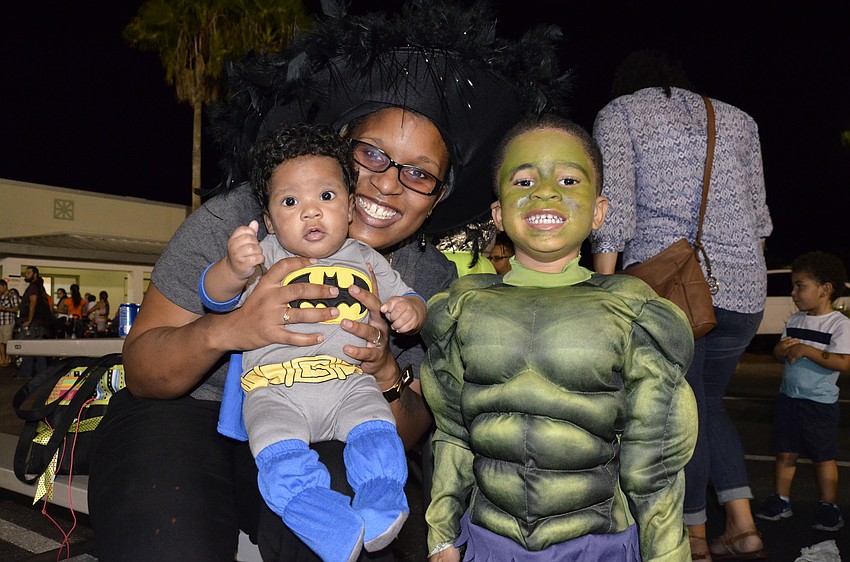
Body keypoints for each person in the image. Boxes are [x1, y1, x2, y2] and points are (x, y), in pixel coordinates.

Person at [87, 2, 570, 560]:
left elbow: (411, 423)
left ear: (436, 199)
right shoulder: (239, 221)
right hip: (182, 412)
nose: (388, 185)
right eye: (372, 154)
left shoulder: (423, 278)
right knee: (171, 539)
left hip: (329, 412)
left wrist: (389, 371)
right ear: (337, 151)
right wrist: (231, 328)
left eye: (419, 173)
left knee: (356, 533)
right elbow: (144, 371)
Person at [421, 116, 697, 561]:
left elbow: (655, 465)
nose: (545, 191)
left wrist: (667, 555)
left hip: (597, 544)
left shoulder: (631, 310)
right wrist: (440, 534)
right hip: (490, 542)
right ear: (498, 214)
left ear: (599, 210)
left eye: (568, 179)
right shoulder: (463, 307)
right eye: (524, 179)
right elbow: (453, 434)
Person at [203, 124, 426, 561]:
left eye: (325, 197)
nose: (310, 212)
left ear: (348, 209)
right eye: (290, 202)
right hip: (275, 390)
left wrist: (411, 311)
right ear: (269, 220)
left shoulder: (366, 258)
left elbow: (408, 297)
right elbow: (215, 295)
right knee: (279, 458)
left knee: (379, 436)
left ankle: (380, 503)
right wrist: (232, 265)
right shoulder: (267, 254)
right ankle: (324, 521)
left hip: (349, 384)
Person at [590, 49, 772, 560]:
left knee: (677, 413)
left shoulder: (621, 113)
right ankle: (743, 524)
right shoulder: (739, 119)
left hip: (670, 292)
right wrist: (743, 277)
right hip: (743, 289)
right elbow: (759, 219)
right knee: (710, 405)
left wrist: (606, 294)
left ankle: (693, 536)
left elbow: (616, 209)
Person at [755, 251, 850, 532]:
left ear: (825, 290)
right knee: (785, 454)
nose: (794, 293)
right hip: (789, 400)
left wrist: (808, 351)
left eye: (800, 286)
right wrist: (781, 349)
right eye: (794, 286)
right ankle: (781, 500)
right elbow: (778, 354)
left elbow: (844, 363)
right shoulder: (795, 320)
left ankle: (828, 506)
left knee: (823, 457)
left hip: (819, 404)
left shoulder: (839, 325)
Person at [18, 266, 53, 378]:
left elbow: (33, 302)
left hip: (34, 324)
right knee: (39, 349)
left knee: (28, 348)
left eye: (28, 273)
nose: (26, 275)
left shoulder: (33, 287)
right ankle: (42, 373)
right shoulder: (40, 287)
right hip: (40, 323)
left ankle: (26, 373)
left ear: (35, 274)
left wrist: (29, 319)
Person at [0, 279, 22, 367]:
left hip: (8, 321)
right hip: (0, 321)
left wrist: (4, 309)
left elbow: (16, 309)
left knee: (7, 341)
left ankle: (7, 358)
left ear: (4, 286)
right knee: (1, 341)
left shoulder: (12, 296)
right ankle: (2, 358)